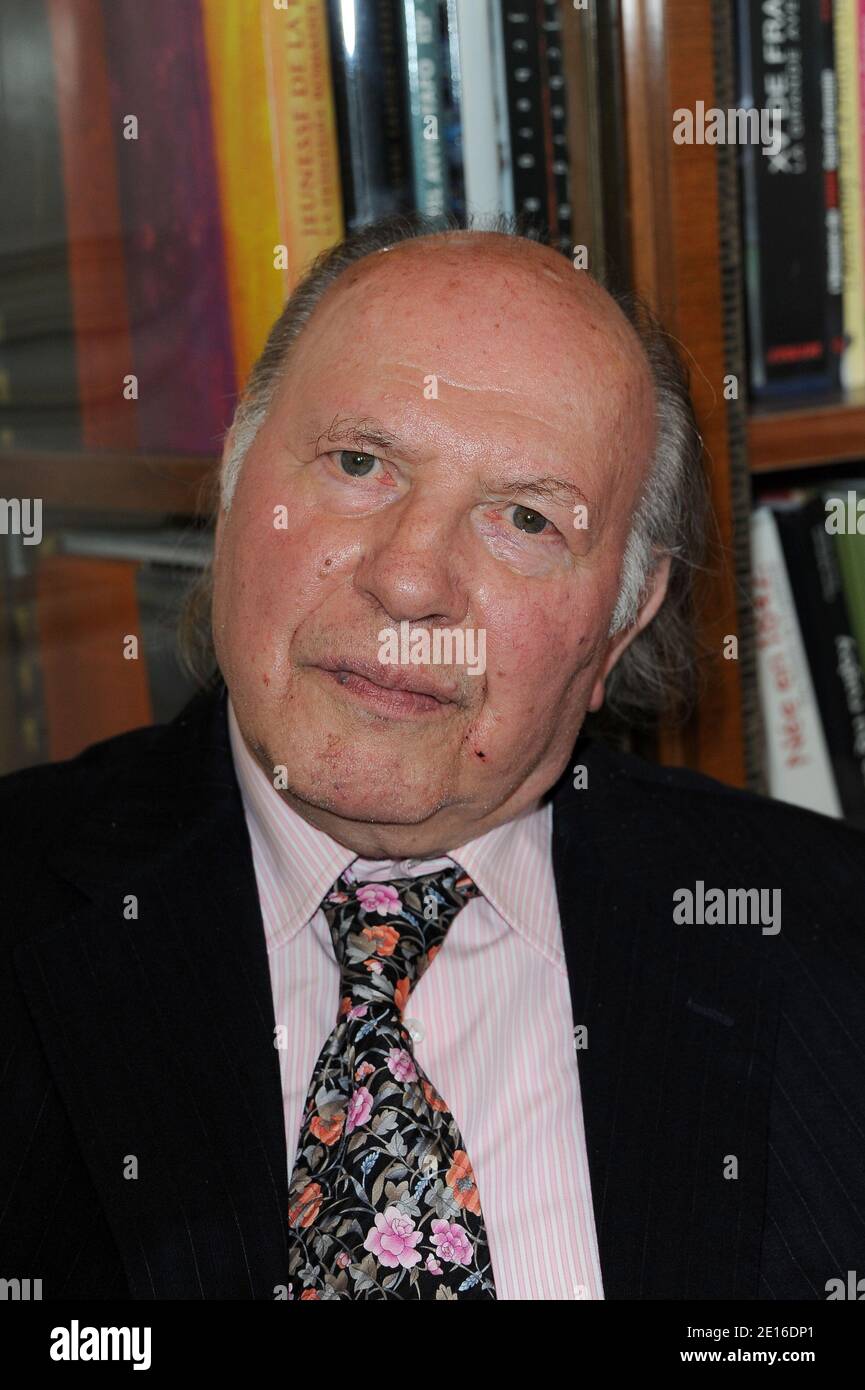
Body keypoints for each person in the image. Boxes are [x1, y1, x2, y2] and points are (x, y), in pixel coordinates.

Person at [2, 218, 864, 1301]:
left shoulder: (831, 948)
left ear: (625, 616)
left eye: (523, 518)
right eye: (358, 462)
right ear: (233, 482)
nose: (411, 581)